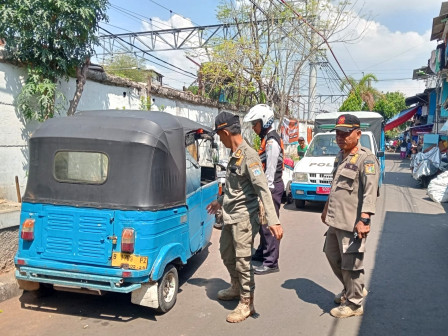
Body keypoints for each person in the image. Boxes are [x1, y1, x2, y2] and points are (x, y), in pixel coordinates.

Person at [206, 111, 283, 323]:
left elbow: (263, 190)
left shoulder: (249, 156)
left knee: (243, 261)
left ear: (225, 131)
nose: (219, 139)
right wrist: (219, 202)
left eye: (219, 135)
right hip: (230, 215)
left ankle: (247, 302)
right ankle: (236, 286)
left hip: (244, 219)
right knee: (226, 253)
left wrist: (274, 221)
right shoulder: (235, 153)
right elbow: (235, 188)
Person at [321, 114, 379, 318]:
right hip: (336, 220)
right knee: (331, 255)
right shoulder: (340, 156)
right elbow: (335, 186)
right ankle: (351, 288)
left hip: (353, 224)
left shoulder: (367, 159)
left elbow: (370, 191)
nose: (340, 137)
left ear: (358, 133)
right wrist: (326, 208)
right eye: (338, 133)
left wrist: (364, 219)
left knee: (351, 263)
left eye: (345, 133)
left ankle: (354, 304)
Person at [243, 104, 283, 275]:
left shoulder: (272, 141)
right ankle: (262, 252)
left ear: (264, 122)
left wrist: (264, 194)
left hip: (271, 187)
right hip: (268, 187)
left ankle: (271, 261)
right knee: (262, 223)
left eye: (255, 123)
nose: (253, 127)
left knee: (268, 225)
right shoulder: (267, 139)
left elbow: (270, 171)